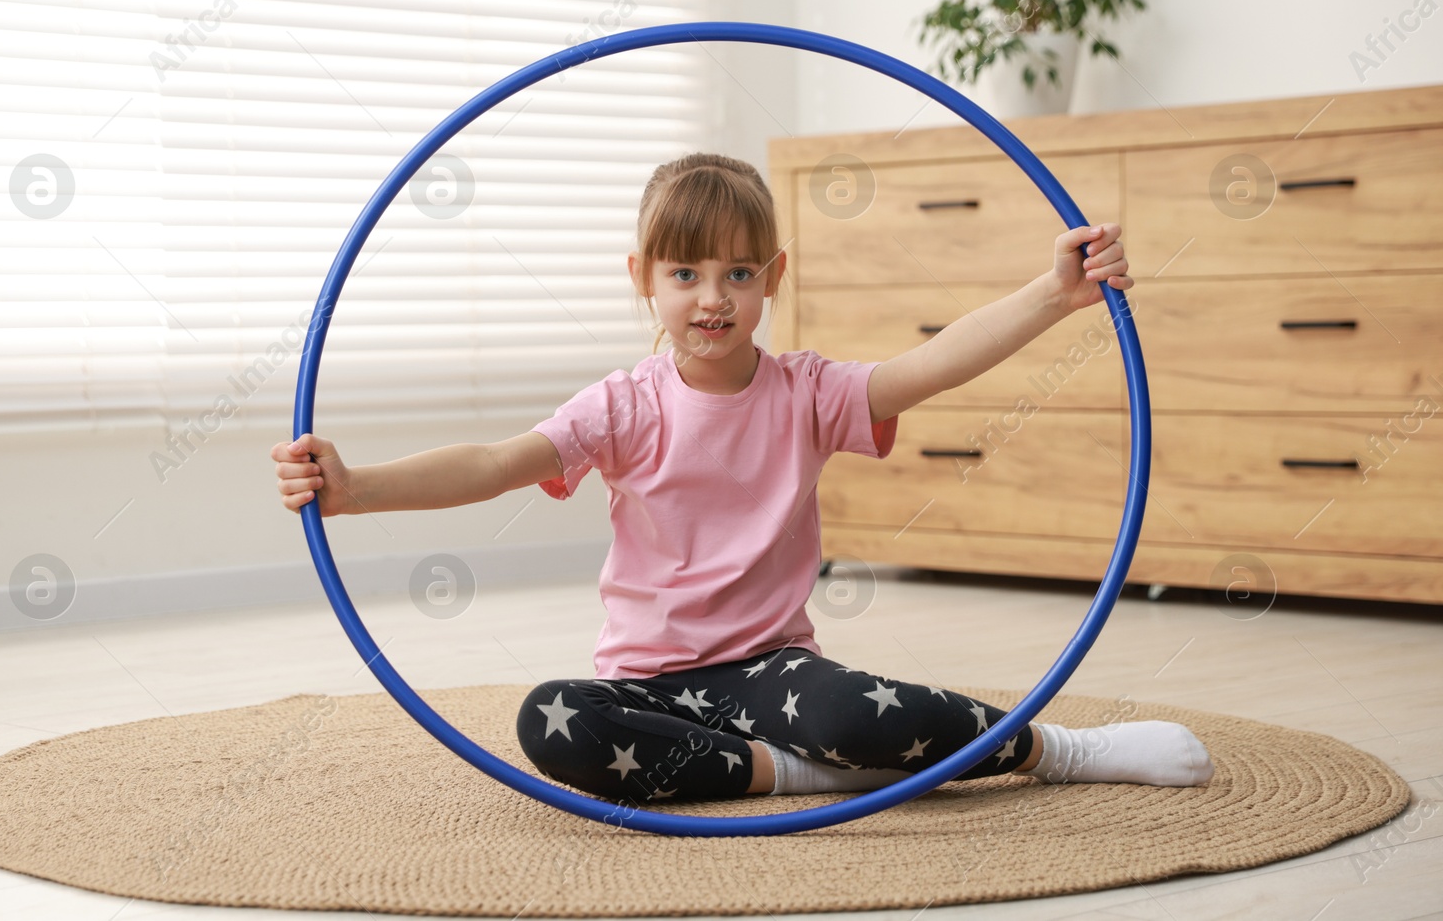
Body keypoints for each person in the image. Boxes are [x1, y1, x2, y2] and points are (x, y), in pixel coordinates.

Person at [270, 152, 1214, 806]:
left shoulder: (807, 391)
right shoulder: (622, 406)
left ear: (773, 277)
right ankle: (799, 774)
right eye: (685, 272)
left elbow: (934, 363)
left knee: (851, 708)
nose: (712, 297)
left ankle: (1058, 749)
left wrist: (1054, 294)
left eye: (736, 273)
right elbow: (494, 462)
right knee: (553, 722)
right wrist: (356, 489)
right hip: (641, 683)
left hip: (771, 671)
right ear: (645, 277)